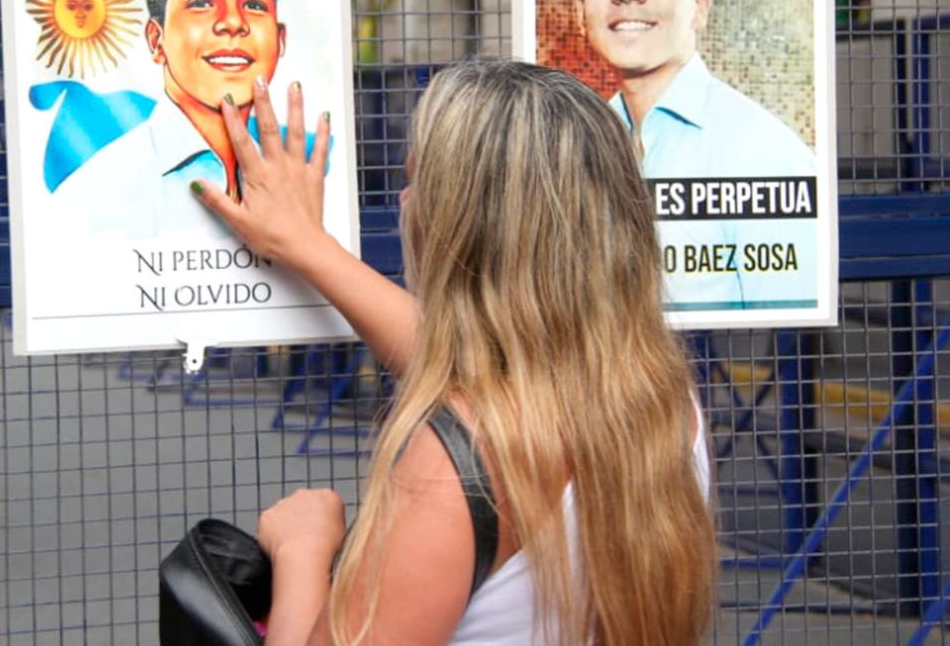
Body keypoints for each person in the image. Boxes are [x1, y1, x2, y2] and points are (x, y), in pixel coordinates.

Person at [192, 62, 716, 645]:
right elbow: (474, 366)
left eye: (420, 181)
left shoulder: (455, 468)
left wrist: (301, 552)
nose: (405, 198)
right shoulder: (664, 404)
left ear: (465, 228)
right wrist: (309, 247)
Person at [566, 0, 817, 310]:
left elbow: (790, 331)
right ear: (581, 7)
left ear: (699, 7)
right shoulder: (574, 148)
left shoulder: (765, 152)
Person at [49, 0, 293, 236]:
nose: (233, 22)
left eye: (254, 4)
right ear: (156, 39)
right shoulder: (89, 203)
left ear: (279, 38)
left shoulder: (299, 187)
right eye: (201, 2)